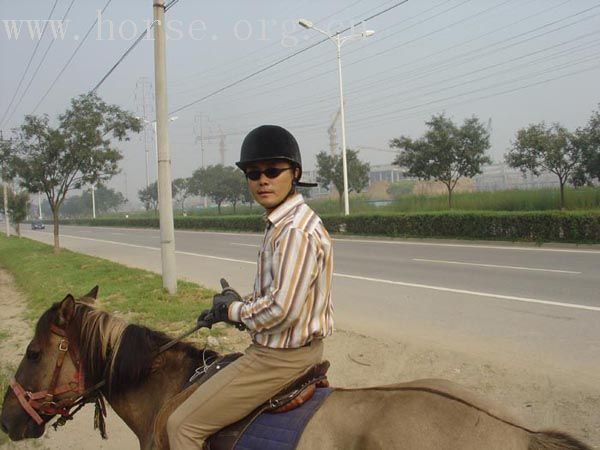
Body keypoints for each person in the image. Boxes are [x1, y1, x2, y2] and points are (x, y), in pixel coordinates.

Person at [167, 124, 334, 449]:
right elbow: (278, 296)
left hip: (278, 360)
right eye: (253, 173)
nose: (263, 180)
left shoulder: (293, 232)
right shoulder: (286, 222)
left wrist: (232, 310)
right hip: (289, 351)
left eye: (273, 170)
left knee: (180, 426)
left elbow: (281, 310)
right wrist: (239, 304)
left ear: (295, 172)